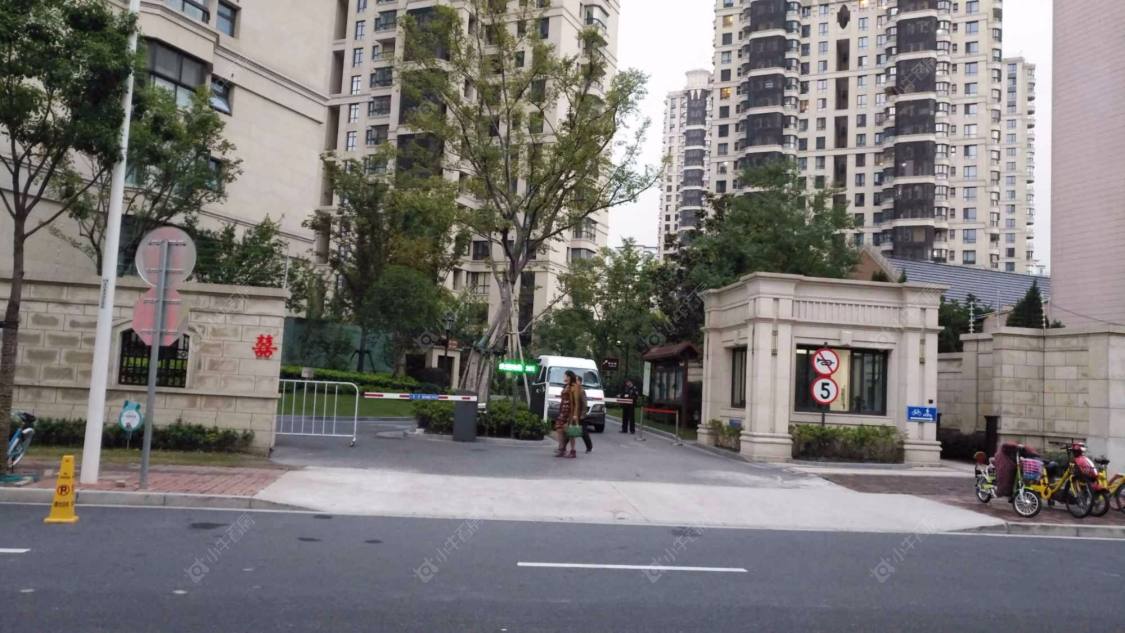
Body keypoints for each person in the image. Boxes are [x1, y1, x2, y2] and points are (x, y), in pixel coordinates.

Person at [554, 370, 579, 458]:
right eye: (564, 376)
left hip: (570, 413)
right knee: (559, 429)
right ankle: (562, 449)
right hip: (563, 412)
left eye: (566, 376)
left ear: (570, 377)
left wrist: (575, 414)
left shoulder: (574, 387)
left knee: (571, 432)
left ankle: (573, 451)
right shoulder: (565, 386)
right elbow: (563, 399)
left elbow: (576, 402)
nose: (564, 378)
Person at [576, 375, 592, 453]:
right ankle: (563, 447)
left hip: (580, 415)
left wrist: (582, 414)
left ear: (579, 382)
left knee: (583, 432)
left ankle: (589, 446)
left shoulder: (581, 391)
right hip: (575, 414)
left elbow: (584, 403)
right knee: (570, 430)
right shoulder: (575, 390)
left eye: (576, 380)